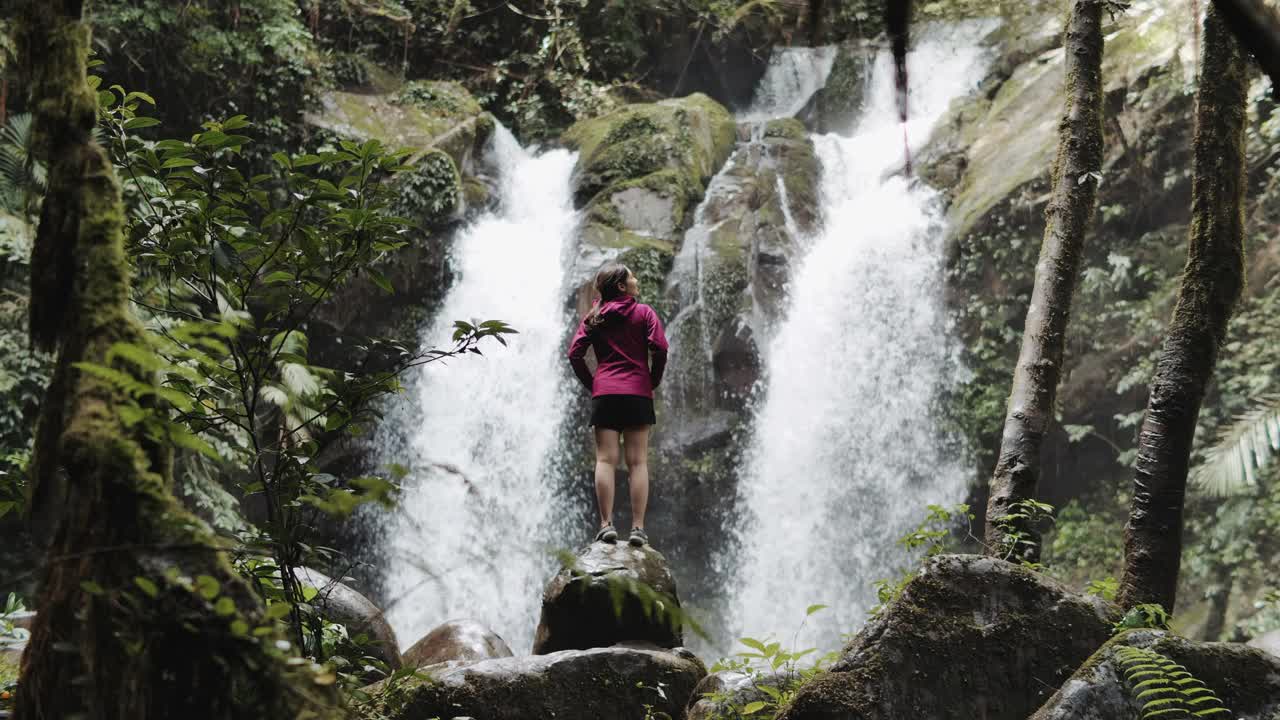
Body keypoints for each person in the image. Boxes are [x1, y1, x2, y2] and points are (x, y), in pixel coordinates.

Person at [567, 264, 668, 547]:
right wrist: (652, 379)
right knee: (637, 462)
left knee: (605, 460)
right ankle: (637, 529)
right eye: (631, 277)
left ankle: (606, 525)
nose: (636, 280)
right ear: (622, 286)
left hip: (606, 394)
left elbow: (575, 354)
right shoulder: (644, 312)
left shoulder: (595, 316)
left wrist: (595, 384)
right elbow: (660, 347)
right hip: (638, 392)